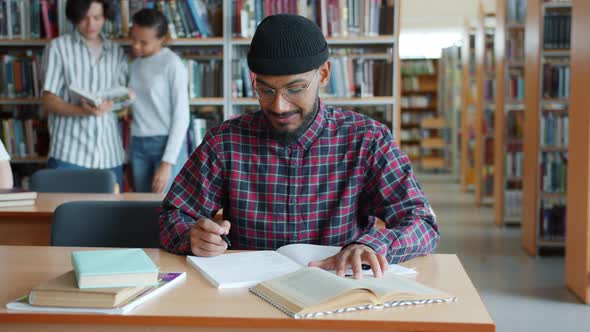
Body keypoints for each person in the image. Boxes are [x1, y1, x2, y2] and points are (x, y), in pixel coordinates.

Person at [159, 14, 439, 279]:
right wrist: (191, 236)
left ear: (325, 74)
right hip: (247, 293)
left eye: (295, 89)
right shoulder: (224, 142)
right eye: (266, 90)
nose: (279, 105)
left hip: (337, 289)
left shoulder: (368, 140)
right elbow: (173, 215)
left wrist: (374, 245)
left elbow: (421, 223)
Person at [41, 0, 131, 189]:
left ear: (105, 17)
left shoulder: (116, 51)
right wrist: (83, 111)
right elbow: (48, 101)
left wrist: (122, 100)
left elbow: (121, 98)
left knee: (110, 217)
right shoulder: (58, 48)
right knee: (63, 213)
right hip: (69, 153)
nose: (91, 25)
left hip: (109, 153)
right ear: (74, 18)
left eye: (97, 18)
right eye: (84, 18)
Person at [128, 8, 189, 193]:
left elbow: (182, 116)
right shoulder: (134, 64)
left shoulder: (172, 64)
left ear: (161, 38)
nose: (136, 46)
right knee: (140, 207)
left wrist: (167, 162)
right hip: (138, 143)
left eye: (143, 42)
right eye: (134, 39)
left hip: (165, 144)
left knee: (165, 208)